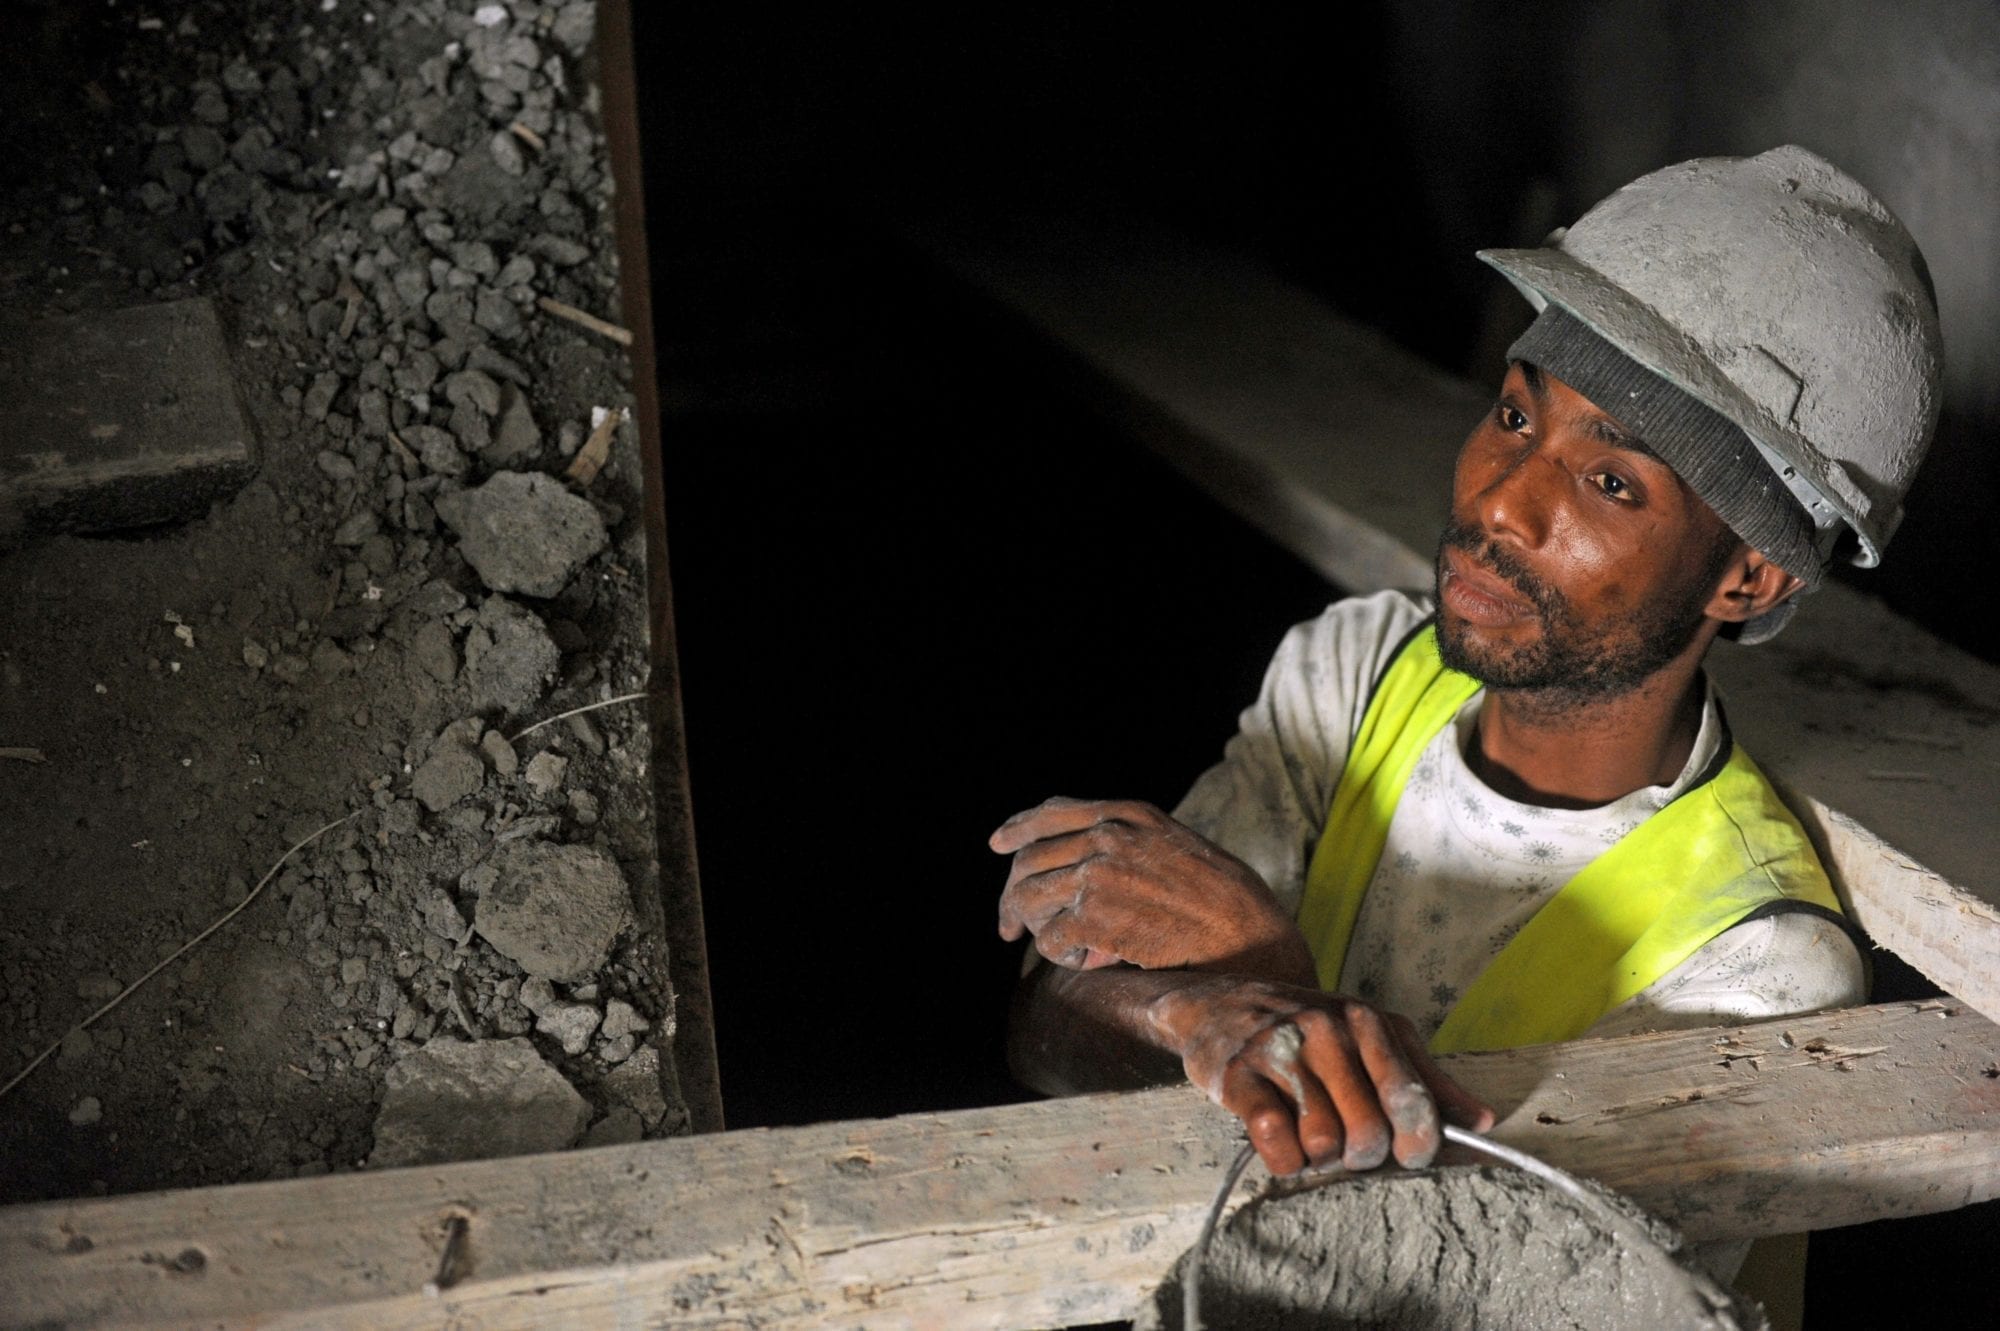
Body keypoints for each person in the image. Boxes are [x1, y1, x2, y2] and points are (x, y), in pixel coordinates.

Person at [991, 147, 1943, 1190]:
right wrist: (1193, 1009)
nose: (1500, 501)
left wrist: (1271, 990)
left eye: (1608, 480)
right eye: (1513, 416)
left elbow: (1493, 1271)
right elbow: (1049, 1030)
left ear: (1749, 579)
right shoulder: (1357, 672)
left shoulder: (1754, 963)